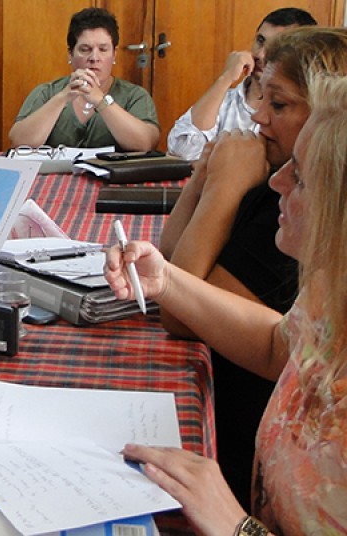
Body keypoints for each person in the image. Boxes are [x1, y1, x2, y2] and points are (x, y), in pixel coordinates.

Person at [106, 71, 347, 536]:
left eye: (299, 176)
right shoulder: (330, 286)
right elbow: (277, 345)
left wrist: (238, 526)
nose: (276, 180)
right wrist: (167, 282)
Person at [158, 27, 347, 510]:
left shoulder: (293, 221)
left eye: (278, 104)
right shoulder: (327, 281)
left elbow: (178, 315)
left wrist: (223, 188)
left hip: (238, 441)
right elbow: (277, 343)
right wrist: (206, 176)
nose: (259, 116)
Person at [166, 8, 316, 161]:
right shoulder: (223, 99)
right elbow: (182, 151)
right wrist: (225, 78)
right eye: (260, 41)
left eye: (275, 48)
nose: (260, 55)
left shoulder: (306, 109)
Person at [8, 7, 159, 152]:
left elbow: (146, 143)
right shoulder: (47, 92)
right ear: (70, 54)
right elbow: (19, 142)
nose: (94, 58)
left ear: (114, 54)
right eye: (85, 49)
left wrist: (100, 101)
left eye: (103, 49)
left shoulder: (134, 95)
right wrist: (63, 97)